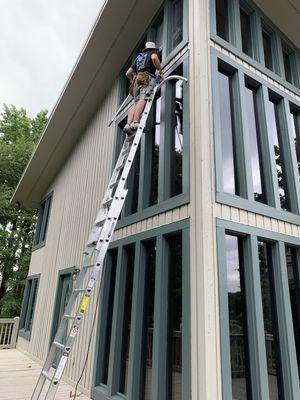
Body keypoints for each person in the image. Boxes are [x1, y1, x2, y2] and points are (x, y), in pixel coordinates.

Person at [124, 41, 163, 135]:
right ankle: (136, 122)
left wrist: (134, 78)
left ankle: (128, 125)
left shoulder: (139, 57)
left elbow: (128, 73)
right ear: (153, 49)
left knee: (135, 103)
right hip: (147, 77)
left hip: (137, 80)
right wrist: (160, 71)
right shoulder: (152, 53)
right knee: (143, 99)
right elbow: (154, 58)